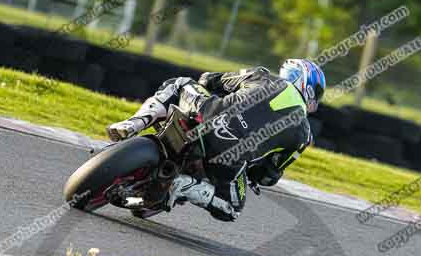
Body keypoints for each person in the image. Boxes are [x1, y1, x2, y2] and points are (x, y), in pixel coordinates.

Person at [106, 59, 325, 221]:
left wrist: (211, 92)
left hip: (206, 115)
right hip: (229, 158)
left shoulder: (261, 74)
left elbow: (210, 80)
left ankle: (133, 123)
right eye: (316, 93)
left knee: (181, 83)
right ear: (305, 84)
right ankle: (183, 186)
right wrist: (254, 175)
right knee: (232, 209)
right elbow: (269, 175)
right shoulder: (304, 135)